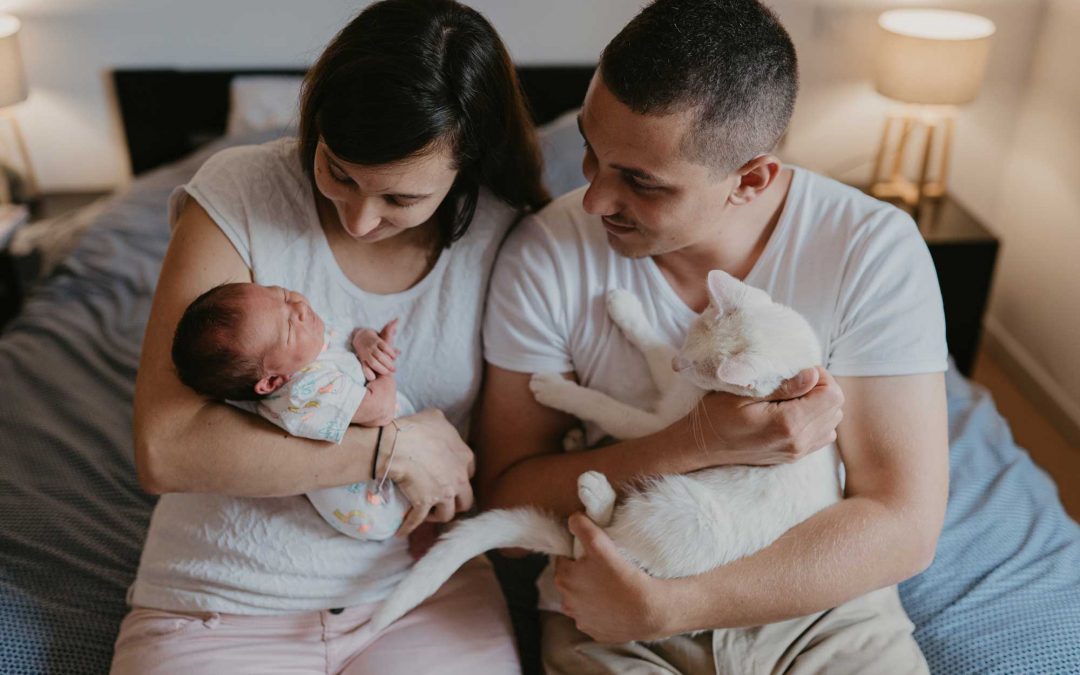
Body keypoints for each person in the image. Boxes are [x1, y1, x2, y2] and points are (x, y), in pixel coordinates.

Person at [477, 0, 948, 673]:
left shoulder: (868, 248)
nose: (593, 201)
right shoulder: (546, 254)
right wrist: (694, 443)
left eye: (640, 181)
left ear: (751, 178)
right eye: (589, 150)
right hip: (614, 607)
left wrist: (673, 606)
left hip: (816, 604)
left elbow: (903, 523)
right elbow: (507, 493)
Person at [111, 0, 546, 672]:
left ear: (467, 166)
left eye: (400, 199)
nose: (361, 219)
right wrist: (391, 448)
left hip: (419, 592)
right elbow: (167, 449)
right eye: (339, 172)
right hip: (221, 599)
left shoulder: (509, 234)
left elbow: (496, 467)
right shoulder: (243, 190)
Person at [170, 281, 409, 541]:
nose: (299, 307)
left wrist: (366, 339)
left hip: (399, 451)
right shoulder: (303, 392)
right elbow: (381, 409)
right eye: (288, 328)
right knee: (421, 512)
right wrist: (382, 364)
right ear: (273, 382)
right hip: (373, 503)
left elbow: (344, 336)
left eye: (280, 294)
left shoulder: (306, 341)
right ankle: (415, 529)